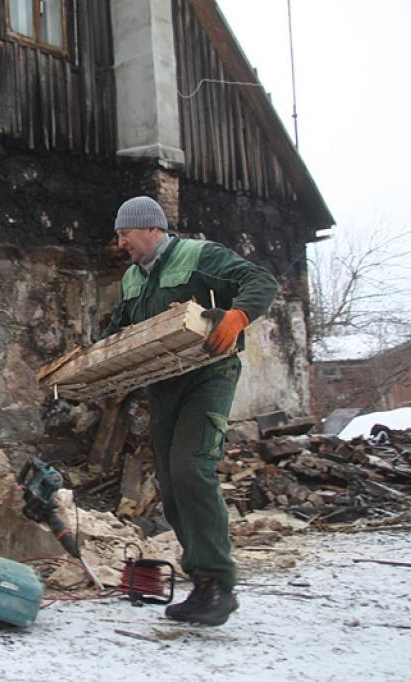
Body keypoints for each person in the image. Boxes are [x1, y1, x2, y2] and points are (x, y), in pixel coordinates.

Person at [101, 196, 278, 626]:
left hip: (208, 375)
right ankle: (202, 584)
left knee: (190, 468)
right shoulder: (132, 280)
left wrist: (237, 317)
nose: (121, 241)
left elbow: (260, 281)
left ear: (151, 229)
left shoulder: (199, 255)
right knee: (171, 481)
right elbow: (118, 328)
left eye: (126, 233)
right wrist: (97, 362)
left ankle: (219, 583)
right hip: (163, 385)